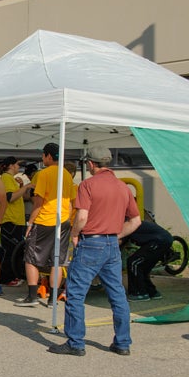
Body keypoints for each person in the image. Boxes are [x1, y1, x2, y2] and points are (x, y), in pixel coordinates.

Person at [49, 146, 140, 357]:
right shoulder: (123, 187)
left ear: (91, 163)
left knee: (75, 293)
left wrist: (74, 233)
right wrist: (116, 235)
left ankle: (75, 343)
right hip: (112, 245)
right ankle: (123, 342)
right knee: (117, 294)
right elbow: (135, 220)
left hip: (91, 243)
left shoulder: (87, 185)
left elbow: (82, 217)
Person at [15, 143, 77, 307]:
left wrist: (30, 223)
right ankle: (52, 299)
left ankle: (32, 296)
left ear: (48, 156)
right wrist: (69, 221)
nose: (42, 158)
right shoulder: (66, 174)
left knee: (30, 258)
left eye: (43, 155)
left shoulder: (44, 174)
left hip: (44, 220)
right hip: (62, 221)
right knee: (57, 261)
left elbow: (38, 202)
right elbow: (71, 202)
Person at [0, 157, 32, 292]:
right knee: (10, 250)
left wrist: (21, 187)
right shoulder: (6, 177)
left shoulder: (11, 179)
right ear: (10, 165)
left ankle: (13, 276)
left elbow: (17, 196)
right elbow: (10, 197)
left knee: (16, 249)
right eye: (17, 164)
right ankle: (7, 278)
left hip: (16, 220)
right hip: (10, 220)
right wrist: (27, 187)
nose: (19, 167)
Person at [123, 220, 172, 301]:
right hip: (164, 240)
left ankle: (139, 293)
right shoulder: (132, 222)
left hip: (158, 241)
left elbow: (120, 240)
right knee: (144, 267)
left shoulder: (126, 225)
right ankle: (151, 292)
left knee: (134, 263)